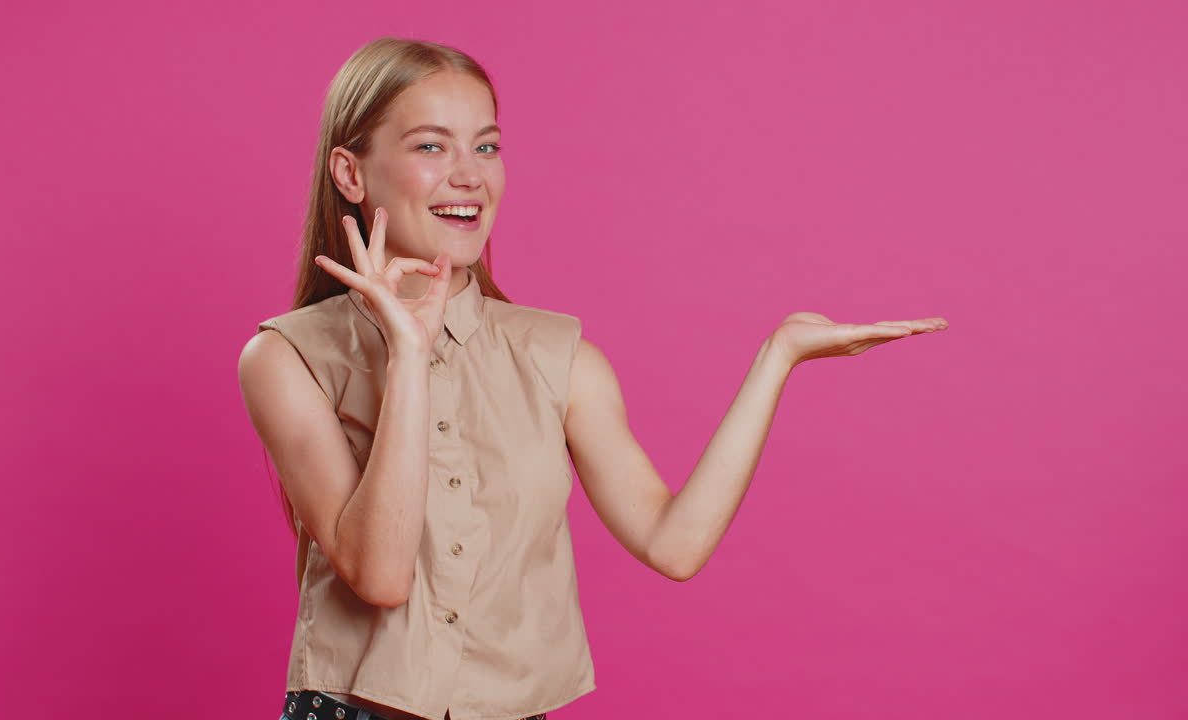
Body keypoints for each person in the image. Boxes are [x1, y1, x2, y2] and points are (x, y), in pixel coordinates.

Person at [238, 37, 948, 720]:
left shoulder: (558, 356)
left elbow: (674, 545)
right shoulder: (288, 357)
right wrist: (410, 356)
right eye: (431, 145)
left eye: (486, 146)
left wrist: (777, 358)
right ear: (350, 174)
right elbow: (381, 575)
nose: (470, 175)